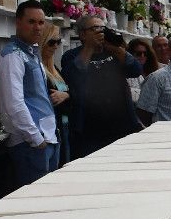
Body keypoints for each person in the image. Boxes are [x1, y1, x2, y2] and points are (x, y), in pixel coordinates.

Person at [0, 0, 59, 187]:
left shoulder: (31, 53)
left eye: (41, 22)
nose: (38, 28)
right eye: (31, 22)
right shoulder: (13, 55)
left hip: (47, 137)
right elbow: (13, 102)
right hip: (30, 142)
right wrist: (35, 138)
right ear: (18, 23)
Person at [61, 15, 143, 158]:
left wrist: (116, 49)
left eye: (102, 28)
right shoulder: (71, 56)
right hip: (88, 131)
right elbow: (73, 79)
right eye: (95, 29)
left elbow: (135, 70)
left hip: (121, 125)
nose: (100, 32)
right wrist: (89, 48)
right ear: (82, 34)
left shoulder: (115, 52)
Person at [39, 23, 71, 166]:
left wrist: (67, 95)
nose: (56, 46)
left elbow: (67, 91)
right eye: (52, 42)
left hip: (63, 125)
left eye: (58, 42)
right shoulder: (40, 69)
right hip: (52, 126)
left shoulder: (54, 69)